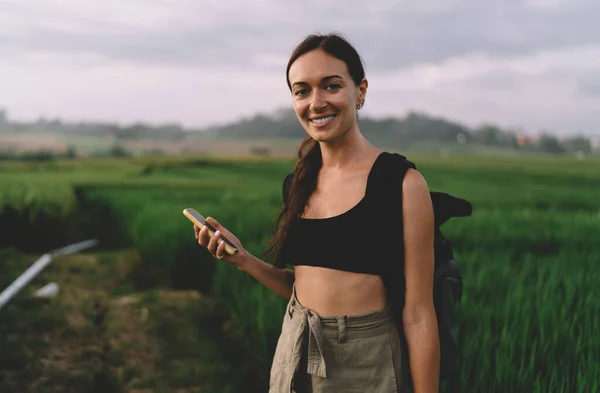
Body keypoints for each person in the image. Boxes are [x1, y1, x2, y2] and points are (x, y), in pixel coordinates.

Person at [194, 33, 440, 393]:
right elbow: (303, 288)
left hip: (366, 360)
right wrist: (242, 258)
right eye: (302, 90)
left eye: (331, 86)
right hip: (295, 350)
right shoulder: (299, 183)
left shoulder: (402, 184)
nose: (316, 102)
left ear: (361, 91)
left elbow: (419, 314)